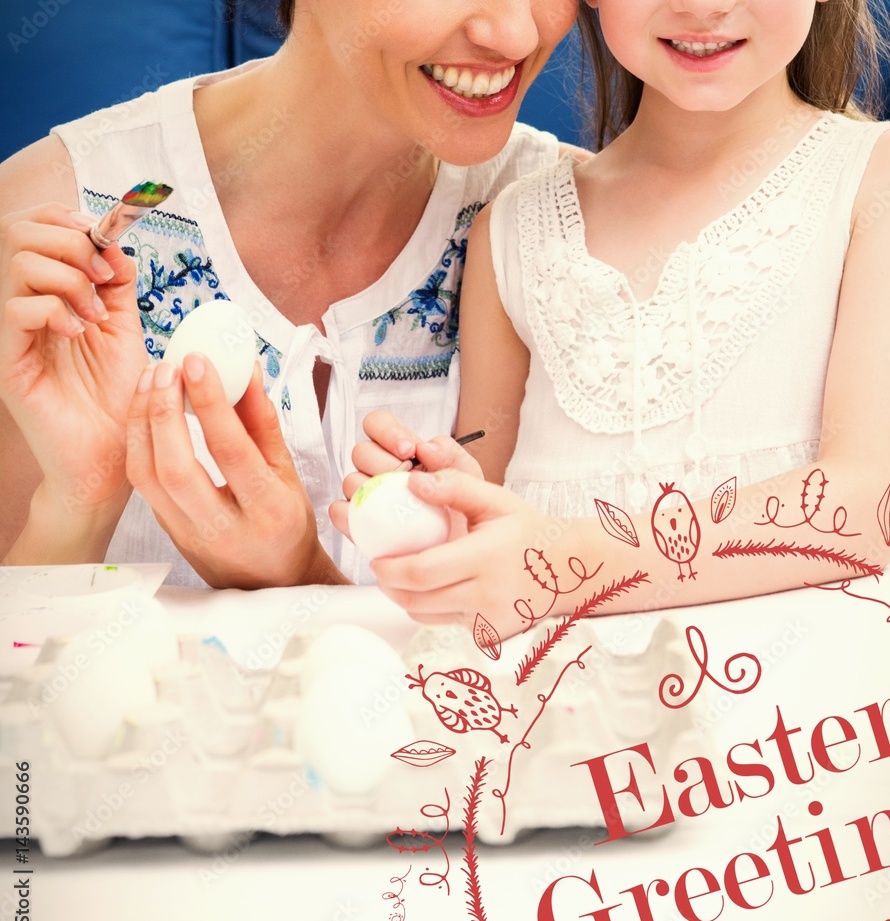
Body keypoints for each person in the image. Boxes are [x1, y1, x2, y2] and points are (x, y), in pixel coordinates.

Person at [333, 0, 890, 638]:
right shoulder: (512, 230)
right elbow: (492, 507)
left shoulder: (885, 177)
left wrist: (554, 565)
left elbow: (867, 512)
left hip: (794, 720)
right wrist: (444, 506)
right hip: (570, 712)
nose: (703, 7)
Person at [0, 0, 579, 587]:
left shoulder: (576, 231)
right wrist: (81, 505)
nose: (516, 32)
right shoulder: (40, 232)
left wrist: (298, 576)